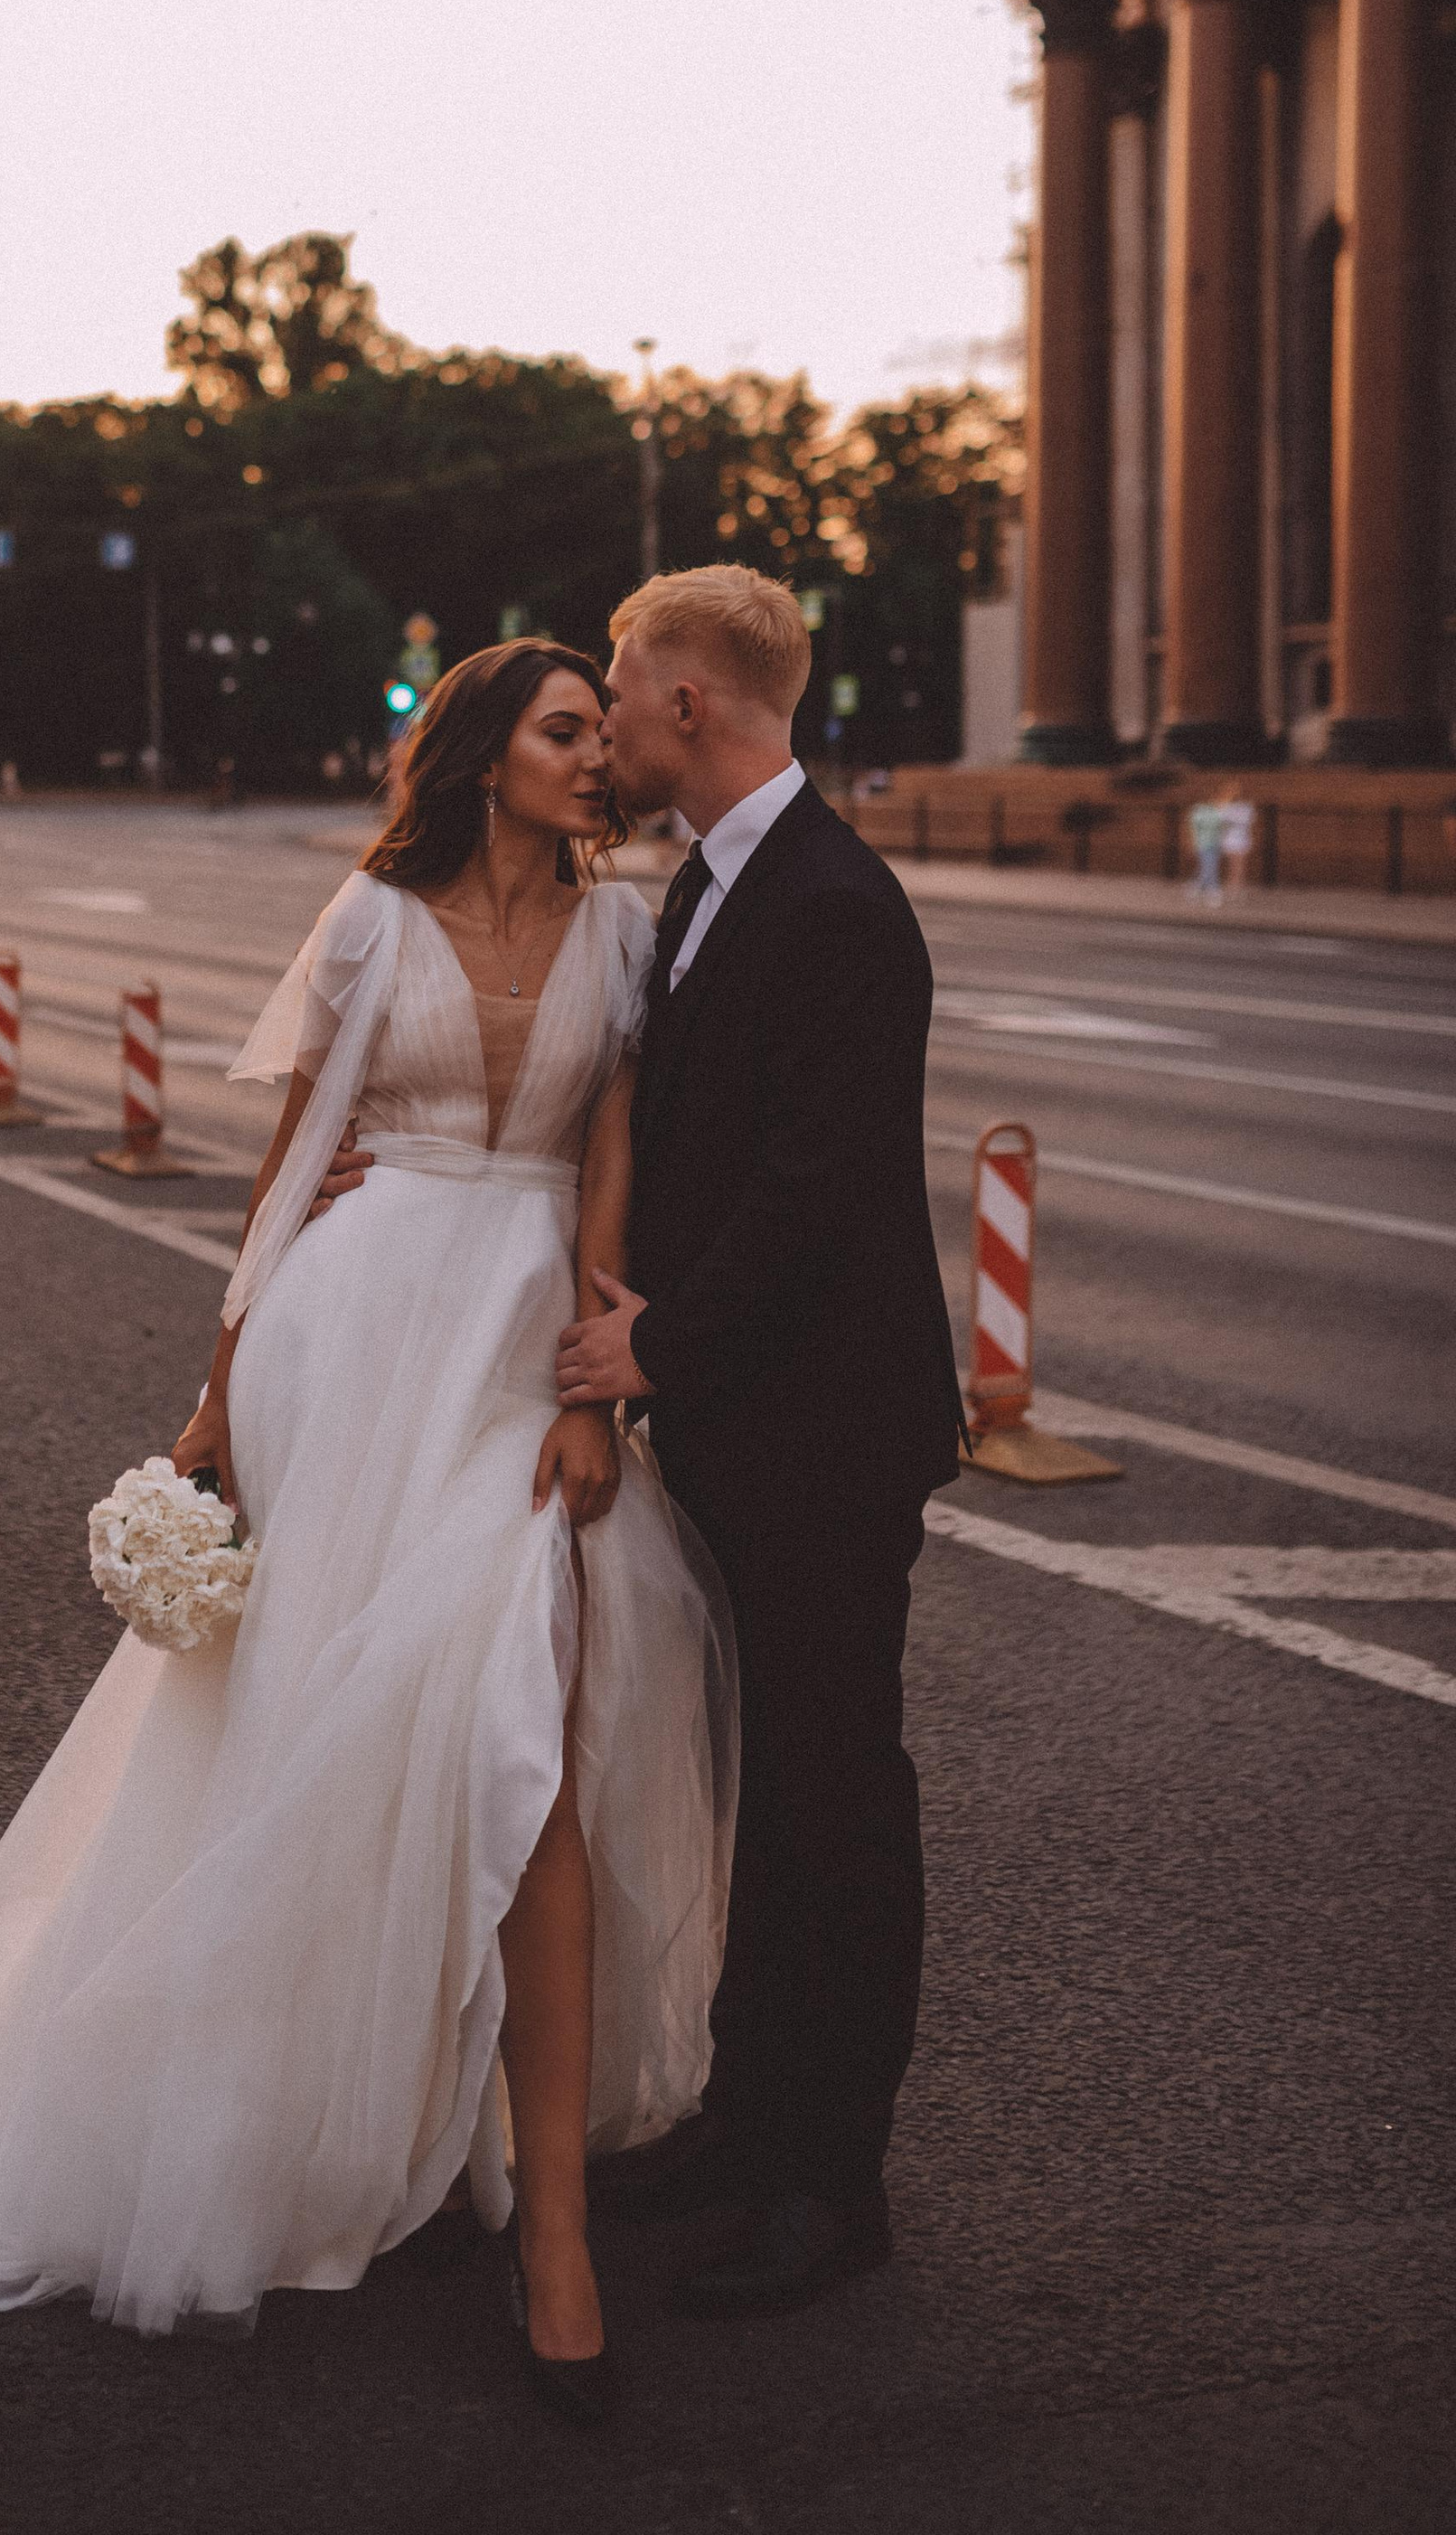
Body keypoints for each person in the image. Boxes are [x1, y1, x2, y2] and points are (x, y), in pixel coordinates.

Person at [0, 643, 734, 2425]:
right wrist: (214, 1394)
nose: (594, 759)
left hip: (509, 1369)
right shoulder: (370, 919)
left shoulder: (623, 933)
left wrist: (594, 1394)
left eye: (598, 732)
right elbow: (292, 1160)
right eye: (564, 731)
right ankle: (283, 2120)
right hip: (345, 1354)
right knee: (304, 1743)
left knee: (525, 1753)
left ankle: (553, 2237)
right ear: (487, 752)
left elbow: (607, 1174)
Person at [553, 566, 964, 2314]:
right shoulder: (714, 884)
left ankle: (833, 2179)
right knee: (764, 1793)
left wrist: (655, 1341)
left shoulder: (834, 903)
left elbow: (821, 1187)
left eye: (626, 693)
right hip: (752, 1422)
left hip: (827, 1432)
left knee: (834, 1799)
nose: (617, 720)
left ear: (694, 707)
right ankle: (746, 2115)